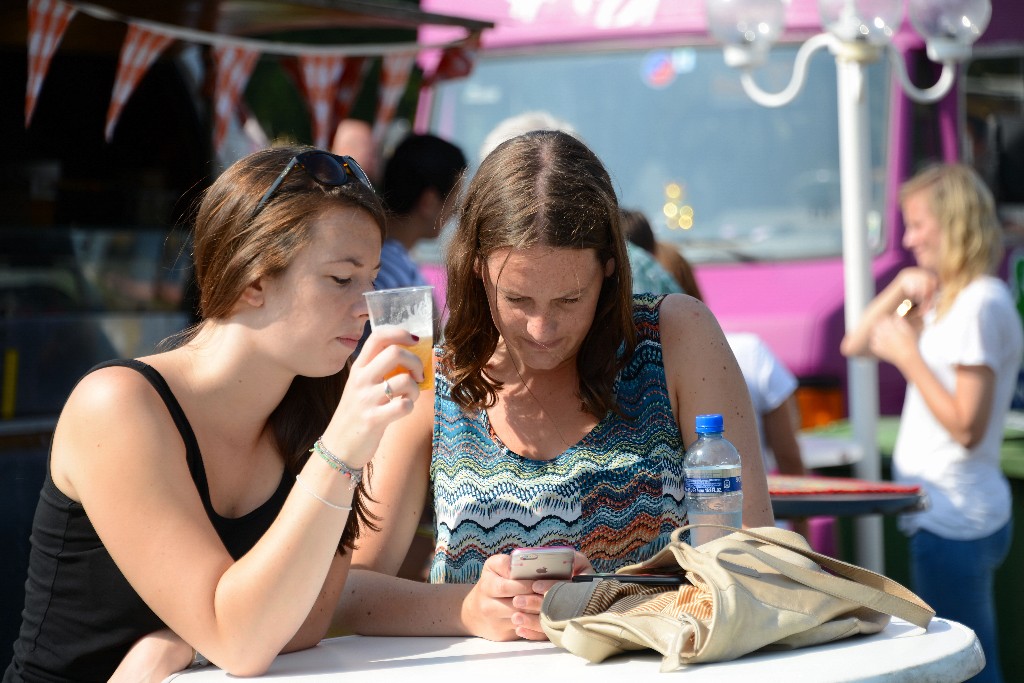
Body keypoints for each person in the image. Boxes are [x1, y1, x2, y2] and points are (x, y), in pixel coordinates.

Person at [333, 129, 774, 643]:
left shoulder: (675, 339)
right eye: (518, 299)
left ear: (609, 271)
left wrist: (611, 598)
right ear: (477, 271)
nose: (542, 331)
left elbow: (753, 557)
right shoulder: (436, 380)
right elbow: (350, 593)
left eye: (569, 300)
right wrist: (468, 610)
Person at [4, 146, 424, 682]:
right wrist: (342, 450)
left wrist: (185, 644)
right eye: (342, 280)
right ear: (253, 282)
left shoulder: (316, 401)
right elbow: (243, 643)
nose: (366, 305)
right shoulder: (118, 405)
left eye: (371, 280)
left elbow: (311, 614)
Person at [841, 163, 1022, 683]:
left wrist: (909, 355)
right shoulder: (951, 299)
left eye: (919, 224)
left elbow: (967, 427)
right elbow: (854, 344)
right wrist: (898, 283)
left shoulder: (980, 303)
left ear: (955, 223)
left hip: (957, 518)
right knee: (960, 663)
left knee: (964, 669)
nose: (909, 237)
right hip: (944, 514)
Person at [374, 133, 467, 292]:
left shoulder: (366, 257)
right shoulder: (396, 277)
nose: (456, 211)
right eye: (454, 199)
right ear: (429, 202)